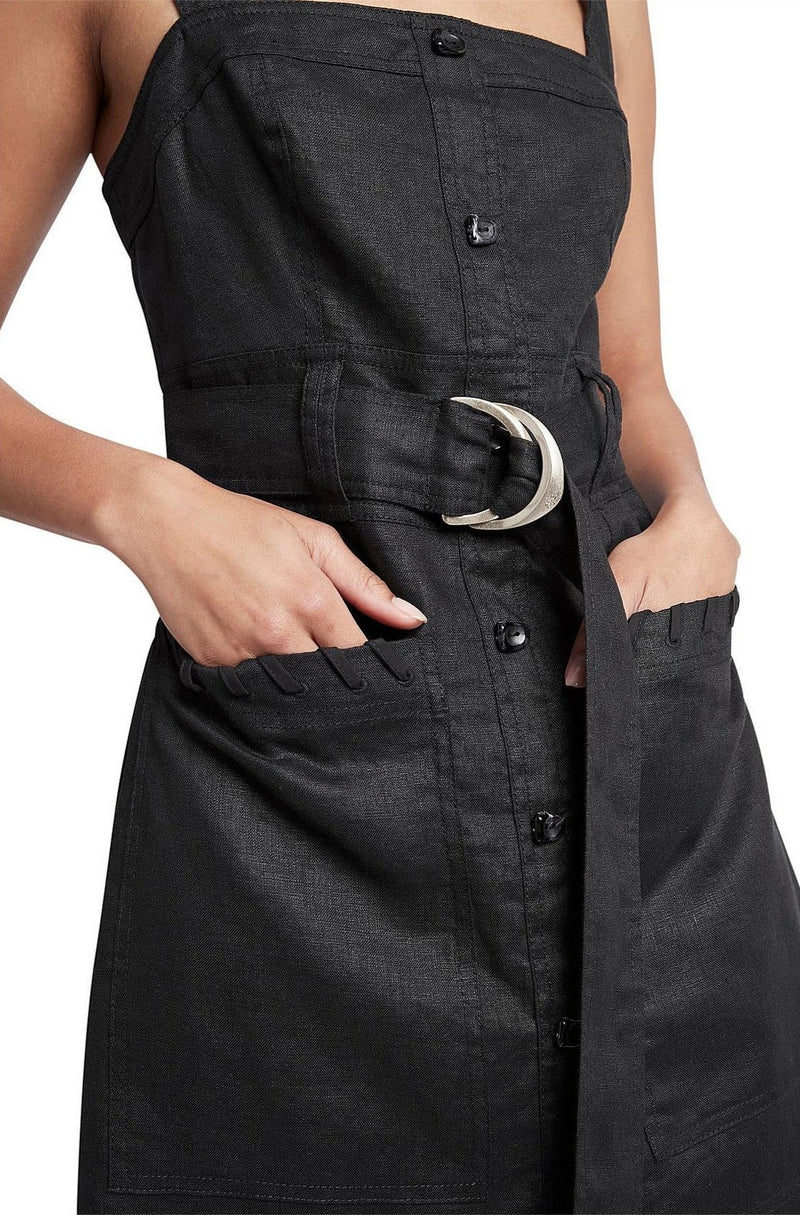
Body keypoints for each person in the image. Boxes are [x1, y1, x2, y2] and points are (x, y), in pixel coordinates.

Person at [1, 2, 798, 1213]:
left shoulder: (605, 7)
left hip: (647, 765)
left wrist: (692, 512)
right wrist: (141, 507)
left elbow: (629, 374)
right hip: (297, 792)